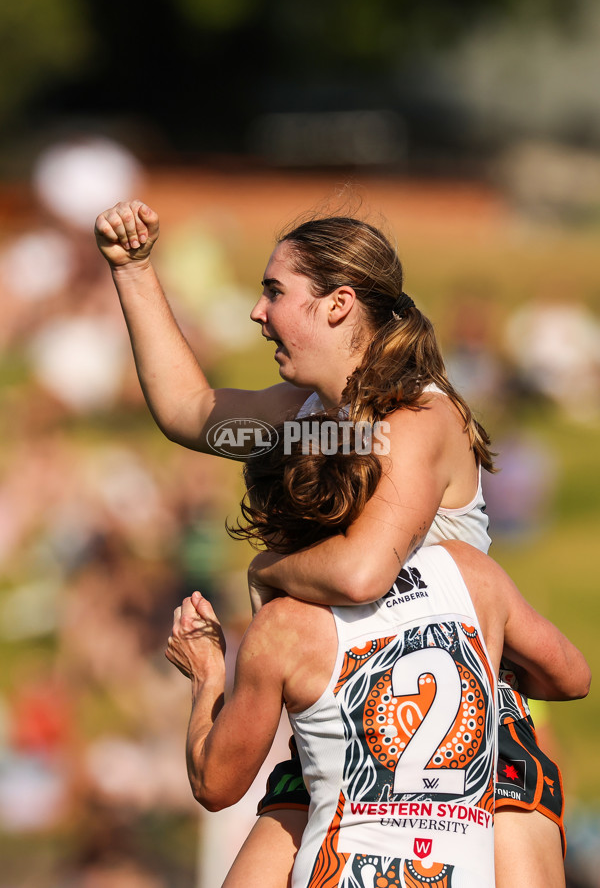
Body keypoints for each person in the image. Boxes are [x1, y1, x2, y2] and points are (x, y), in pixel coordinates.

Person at [95, 200, 566, 886]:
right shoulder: (309, 419)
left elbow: (361, 573)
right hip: (336, 716)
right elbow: (188, 411)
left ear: (339, 304)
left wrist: (269, 570)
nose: (258, 313)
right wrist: (134, 270)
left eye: (275, 292)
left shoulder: (419, 416)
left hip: (458, 739)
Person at [165, 421, 591, 888]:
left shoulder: (282, 629)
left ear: (269, 521)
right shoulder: (469, 571)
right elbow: (572, 679)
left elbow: (215, 784)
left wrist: (206, 674)